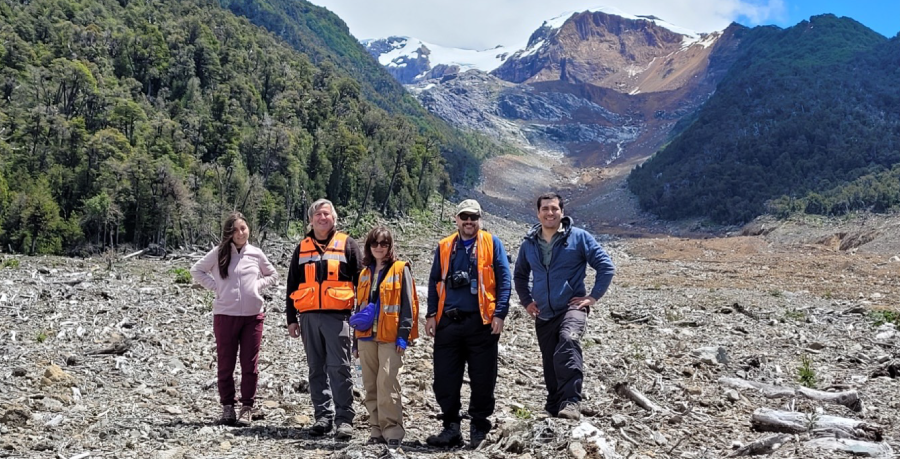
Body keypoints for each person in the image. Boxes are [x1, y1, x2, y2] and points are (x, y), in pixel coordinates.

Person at [513, 192, 615, 420]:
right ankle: (554, 402)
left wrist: (592, 297)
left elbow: (606, 266)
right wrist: (527, 301)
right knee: (549, 358)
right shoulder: (529, 243)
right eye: (545, 209)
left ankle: (571, 401)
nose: (550, 213)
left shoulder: (579, 237)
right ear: (537, 213)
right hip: (544, 312)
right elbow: (519, 276)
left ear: (562, 212)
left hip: (572, 307)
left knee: (568, 340)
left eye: (554, 209)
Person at [425, 199, 511, 448]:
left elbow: (504, 281)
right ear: (457, 219)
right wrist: (432, 314)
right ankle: (451, 427)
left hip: (481, 323)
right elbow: (433, 282)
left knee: (483, 378)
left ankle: (479, 427)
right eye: (464, 216)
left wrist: (500, 314)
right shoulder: (444, 247)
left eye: (473, 217)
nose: (469, 221)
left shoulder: (492, 243)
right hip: (448, 324)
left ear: (480, 219)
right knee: (444, 378)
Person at [190, 212, 278, 426]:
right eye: (236, 229)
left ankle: (247, 406)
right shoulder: (219, 253)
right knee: (226, 363)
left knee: (250, 364)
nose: (240, 233)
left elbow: (273, 275)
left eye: (244, 228)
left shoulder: (256, 253)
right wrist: (217, 288)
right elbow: (197, 271)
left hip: (253, 316)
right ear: (229, 232)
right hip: (225, 315)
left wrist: (257, 286)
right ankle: (228, 406)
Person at [285, 199, 361, 440]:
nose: (322, 218)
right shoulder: (302, 248)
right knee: (316, 369)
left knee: (340, 368)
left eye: (326, 214)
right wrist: (291, 319)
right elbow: (291, 284)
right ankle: (323, 417)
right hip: (308, 318)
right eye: (318, 214)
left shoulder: (348, 245)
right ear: (311, 220)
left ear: (334, 218)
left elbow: (362, 282)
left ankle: (344, 420)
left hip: (338, 317)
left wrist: (361, 319)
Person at [350, 226, 419, 449]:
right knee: (370, 385)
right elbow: (359, 309)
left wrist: (403, 336)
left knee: (387, 383)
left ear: (390, 246)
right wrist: (354, 342)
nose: (379, 247)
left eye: (384, 243)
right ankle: (375, 429)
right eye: (375, 243)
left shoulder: (400, 269)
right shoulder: (363, 274)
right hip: (366, 336)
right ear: (369, 246)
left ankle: (393, 430)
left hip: (390, 337)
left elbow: (408, 305)